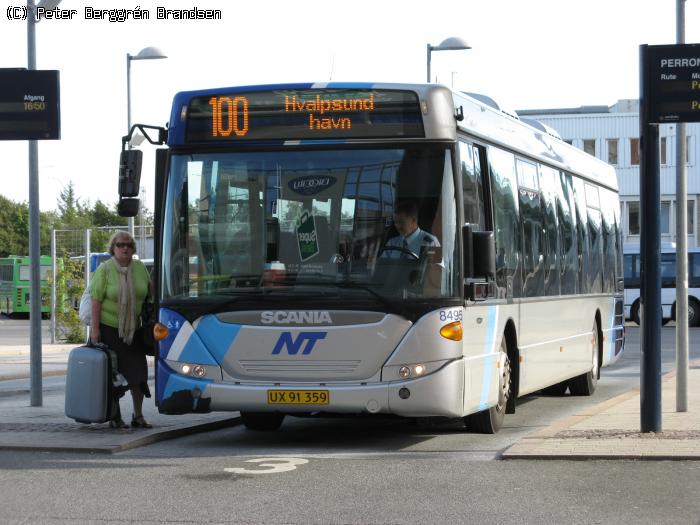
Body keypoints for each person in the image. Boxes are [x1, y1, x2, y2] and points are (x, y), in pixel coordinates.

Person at [90, 231, 152, 429]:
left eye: (128, 245)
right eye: (120, 245)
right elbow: (96, 300)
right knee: (113, 376)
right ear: (113, 248)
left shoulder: (140, 268)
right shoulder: (105, 269)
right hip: (109, 330)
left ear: (133, 248)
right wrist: (95, 329)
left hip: (134, 330)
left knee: (139, 373)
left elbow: (150, 295)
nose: (125, 248)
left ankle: (138, 415)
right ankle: (115, 416)